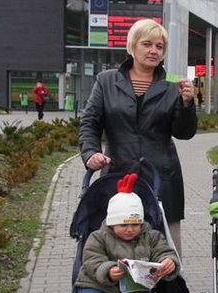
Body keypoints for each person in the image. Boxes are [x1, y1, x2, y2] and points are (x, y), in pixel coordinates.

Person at [79, 19, 197, 255]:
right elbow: (90, 123)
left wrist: (186, 104)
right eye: (147, 44)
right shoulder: (107, 80)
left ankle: (167, 291)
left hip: (162, 177)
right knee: (117, 247)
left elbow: (184, 133)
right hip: (118, 175)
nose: (153, 51)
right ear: (132, 46)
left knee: (166, 250)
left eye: (159, 46)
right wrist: (91, 153)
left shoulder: (172, 85)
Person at [69, 174, 180, 293]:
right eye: (124, 225)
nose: (130, 229)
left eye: (135, 224)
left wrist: (168, 262)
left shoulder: (151, 237)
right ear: (112, 223)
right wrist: (109, 270)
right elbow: (92, 260)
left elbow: (164, 251)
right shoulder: (98, 237)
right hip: (97, 285)